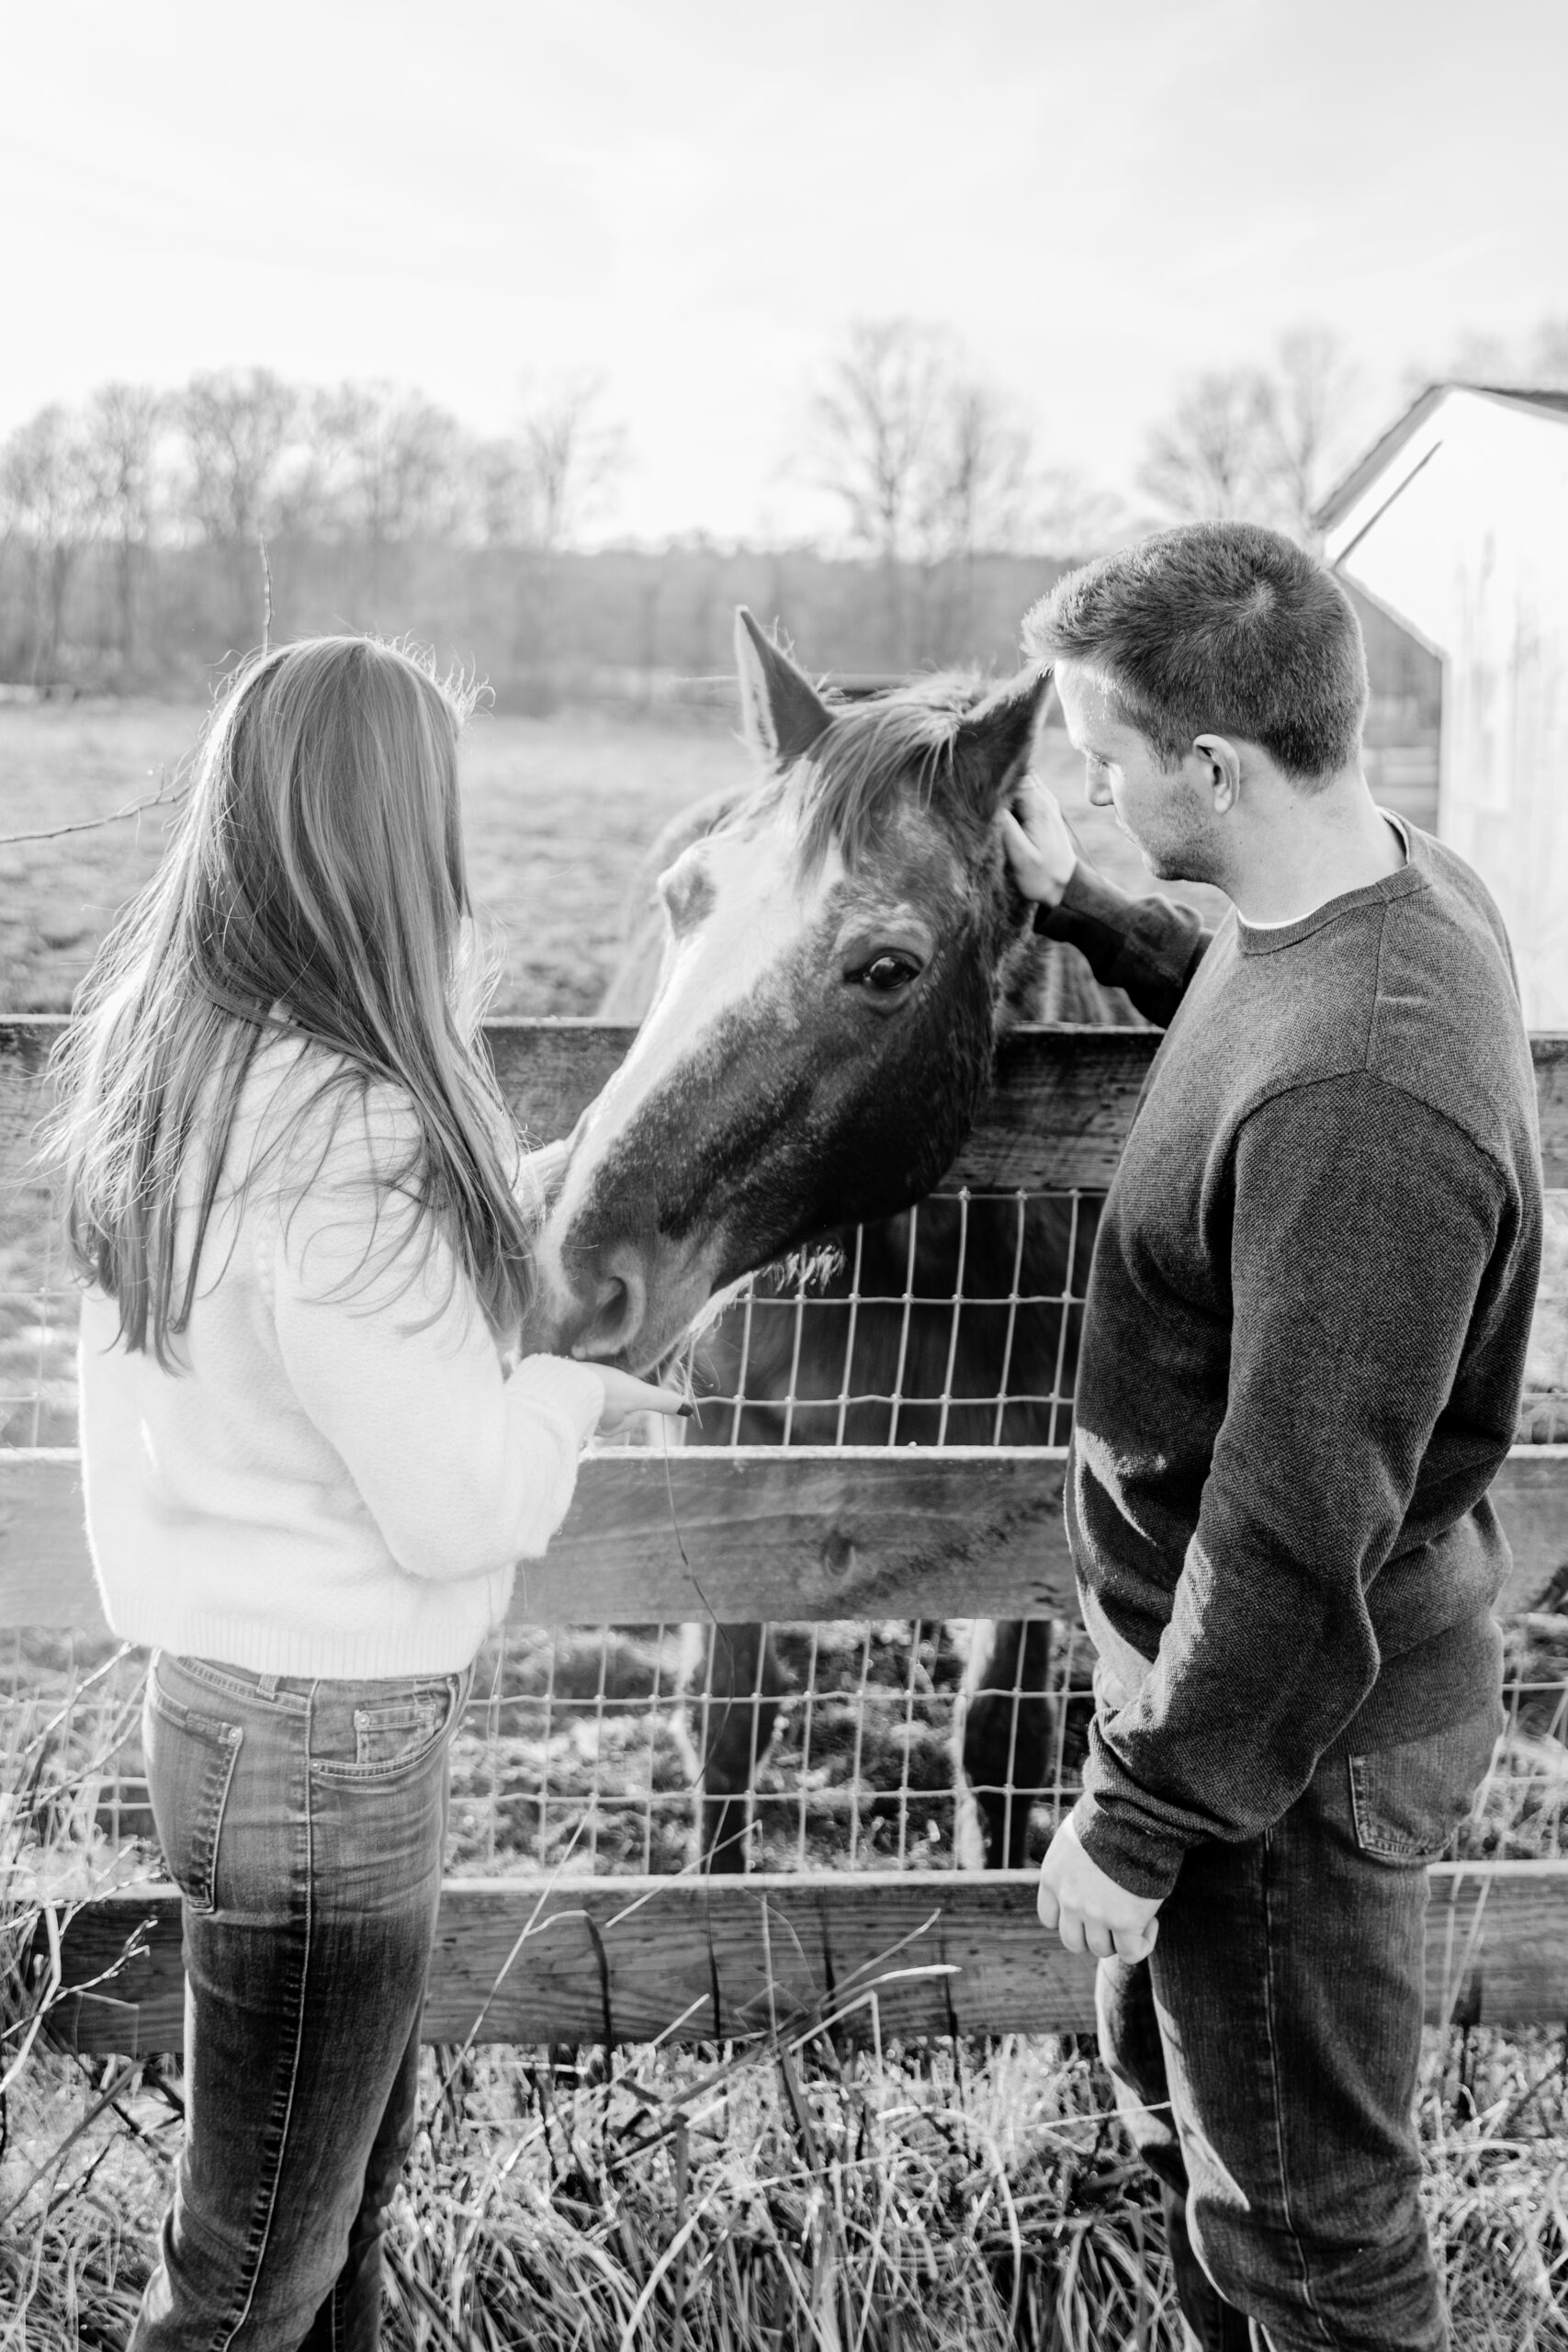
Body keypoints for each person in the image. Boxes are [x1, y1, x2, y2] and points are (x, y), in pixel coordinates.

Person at [51, 637, 682, 2349]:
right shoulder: (347, 1136)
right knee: (250, 2281)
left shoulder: (191, 1078)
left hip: (228, 1715)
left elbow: (350, 1314)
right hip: (326, 1752)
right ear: (397, 840)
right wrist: (574, 1390)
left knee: (325, 2235)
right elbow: (458, 1508)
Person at [1000, 523, 1541, 2352]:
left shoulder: (1364, 1090)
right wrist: (1086, 905)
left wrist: (1139, 1816)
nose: (1086, 772)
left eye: (1104, 749)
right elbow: (1258, 1055)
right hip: (1247, 1714)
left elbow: (1299, 1509)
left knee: (1312, 2257)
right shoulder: (1370, 897)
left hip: (1278, 1744)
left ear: (1207, 768)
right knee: (1237, 2210)